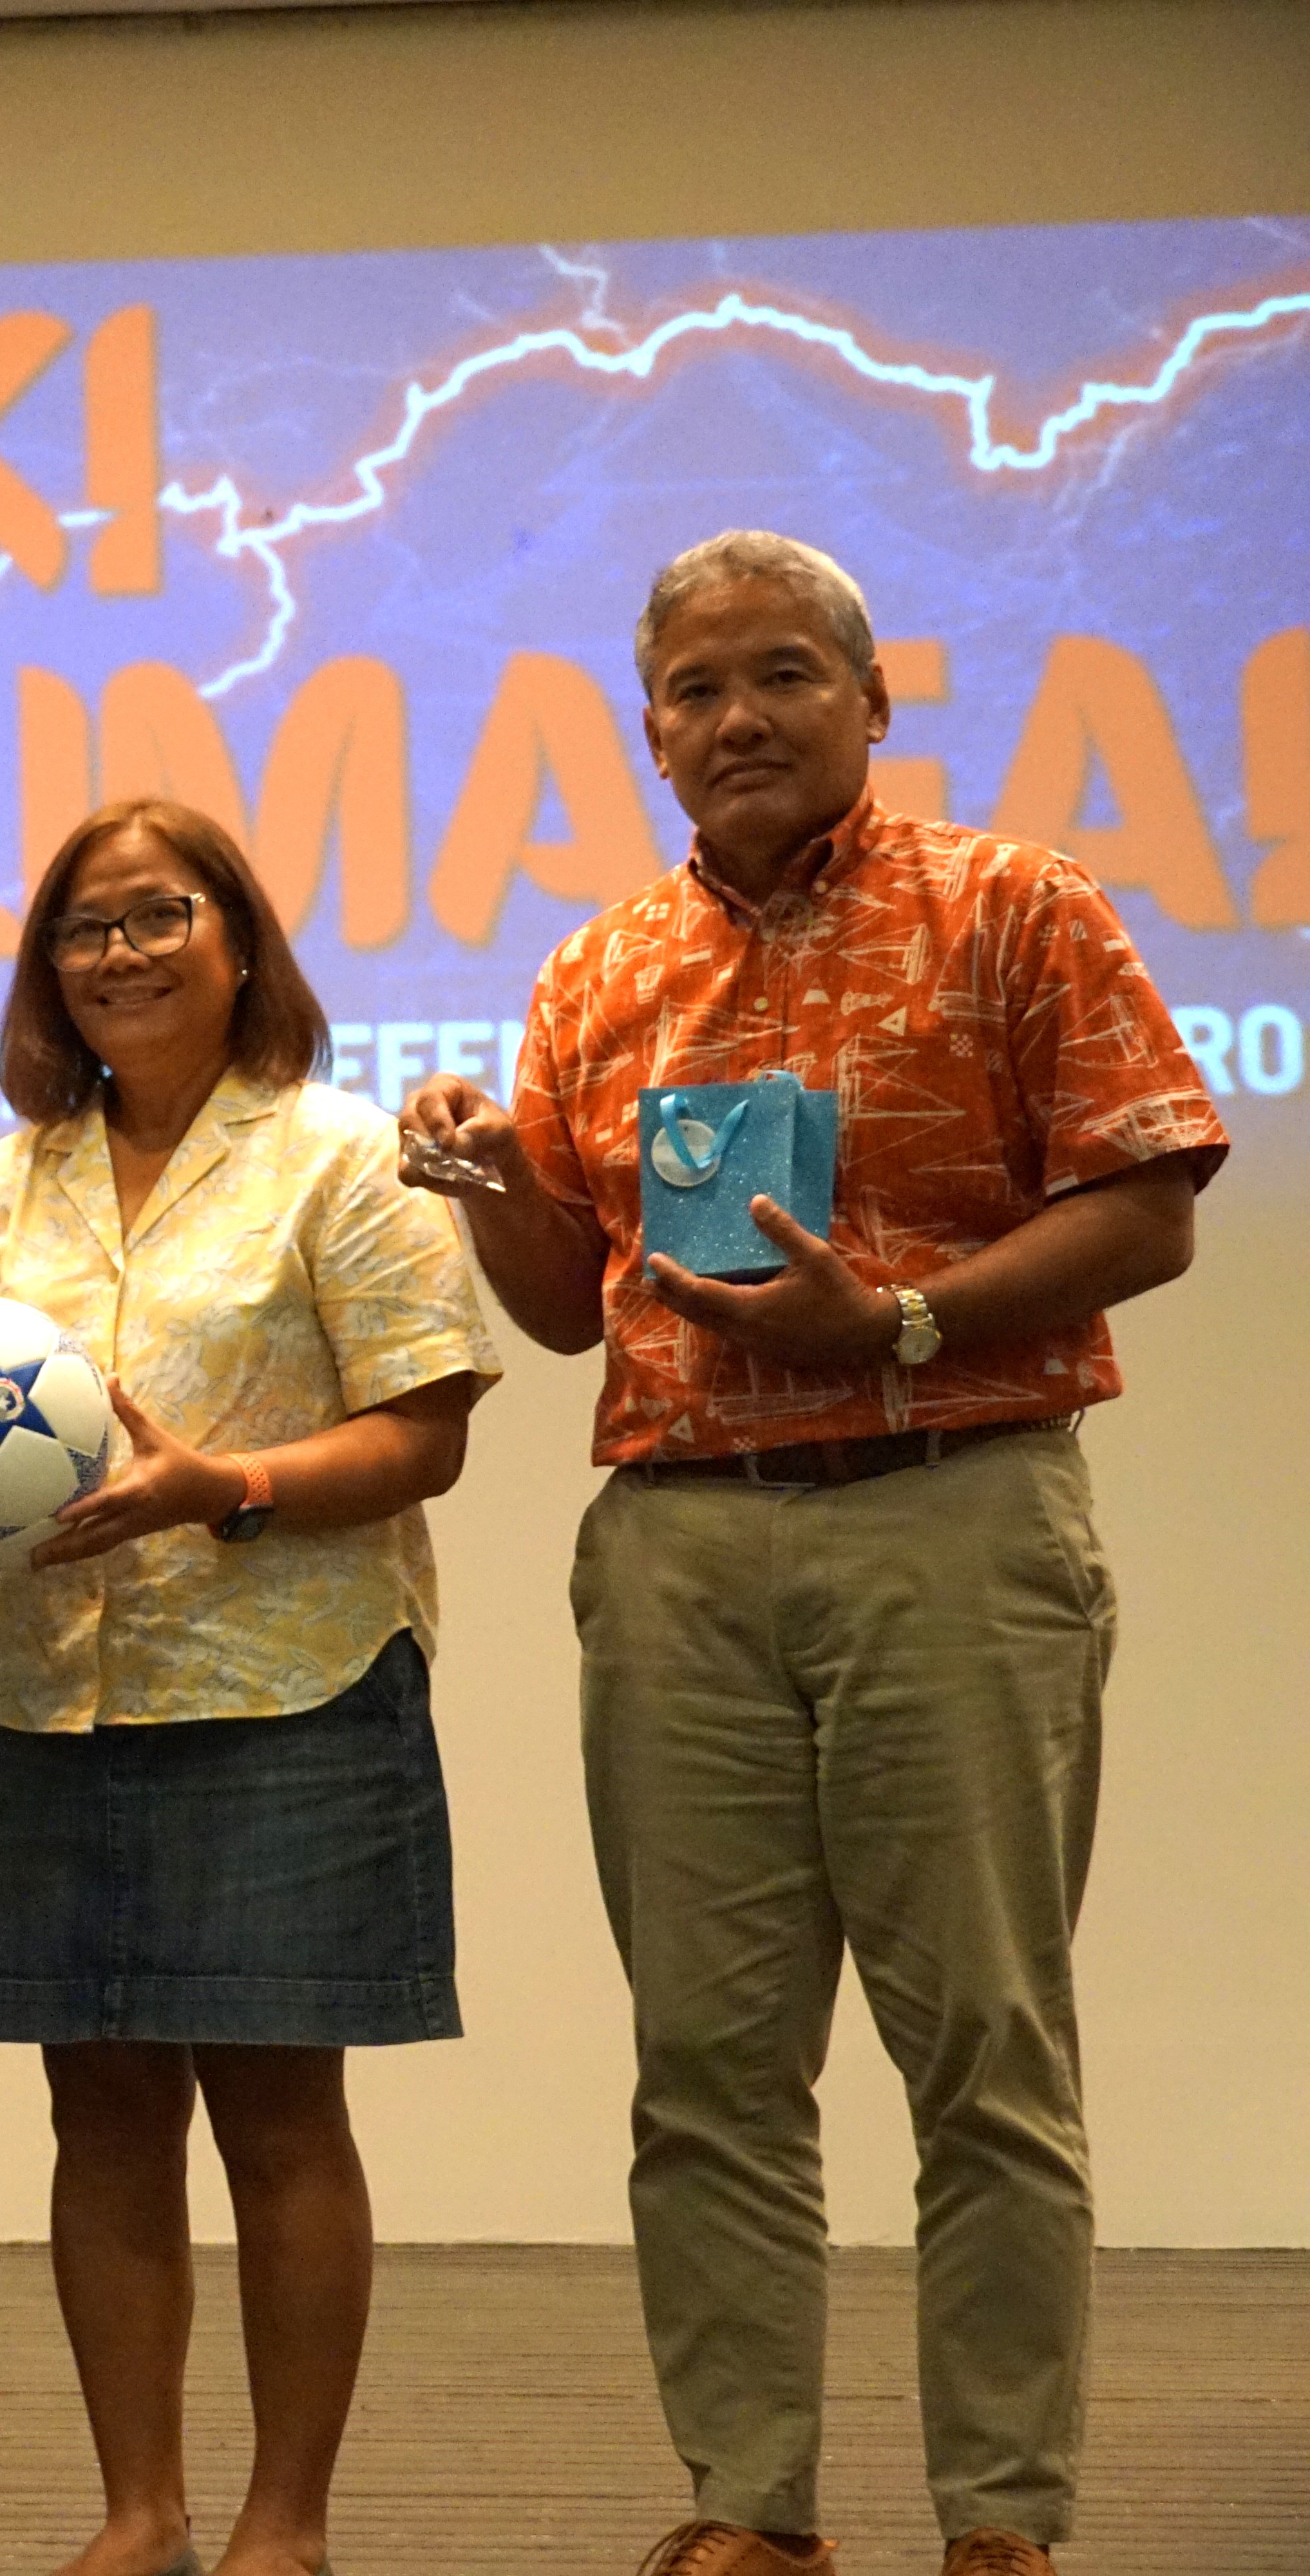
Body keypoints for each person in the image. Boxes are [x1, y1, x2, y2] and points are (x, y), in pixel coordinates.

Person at [401, 533, 1221, 2576]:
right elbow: (567, 1308)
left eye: (776, 674)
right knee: (702, 2062)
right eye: (689, 689)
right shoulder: (597, 969)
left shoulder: (1011, 904)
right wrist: (495, 1182)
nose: (732, 716)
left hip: (948, 1513)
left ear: (870, 699)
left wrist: (902, 1322)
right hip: (676, 1548)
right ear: (649, 730)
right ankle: (745, 2505)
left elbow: (1150, 1201)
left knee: (982, 2050)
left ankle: (997, 2520)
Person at [0, 797, 495, 2576]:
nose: (120, 952)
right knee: (97, 2114)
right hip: (60, 1698)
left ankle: (285, 2522)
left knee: (277, 2116)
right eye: (85, 930)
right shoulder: (2, 1181)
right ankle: (139, 2513)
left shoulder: (343, 1158)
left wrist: (223, 1490)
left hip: (291, 1689)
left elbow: (426, 1434)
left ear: (239, 939)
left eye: (158, 915)